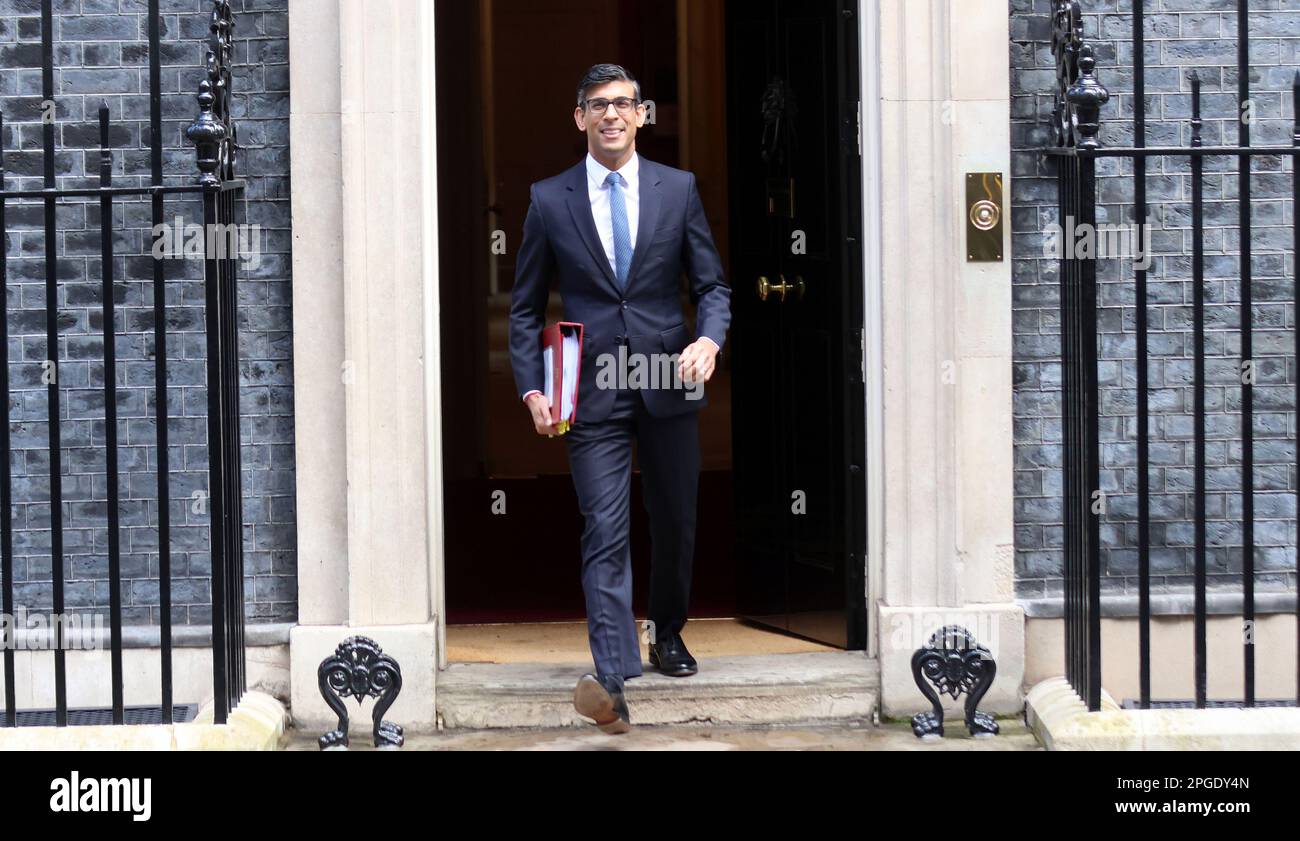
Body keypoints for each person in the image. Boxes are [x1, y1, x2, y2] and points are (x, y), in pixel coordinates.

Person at [508, 63, 732, 734]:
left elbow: (713, 285)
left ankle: (667, 631)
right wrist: (531, 384)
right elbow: (523, 310)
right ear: (580, 118)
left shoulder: (678, 189)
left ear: (642, 115)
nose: (612, 114)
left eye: (624, 104)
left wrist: (709, 341)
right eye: (599, 105)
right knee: (604, 530)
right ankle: (611, 680)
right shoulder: (549, 199)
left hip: (668, 377)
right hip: (592, 389)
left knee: (675, 519)